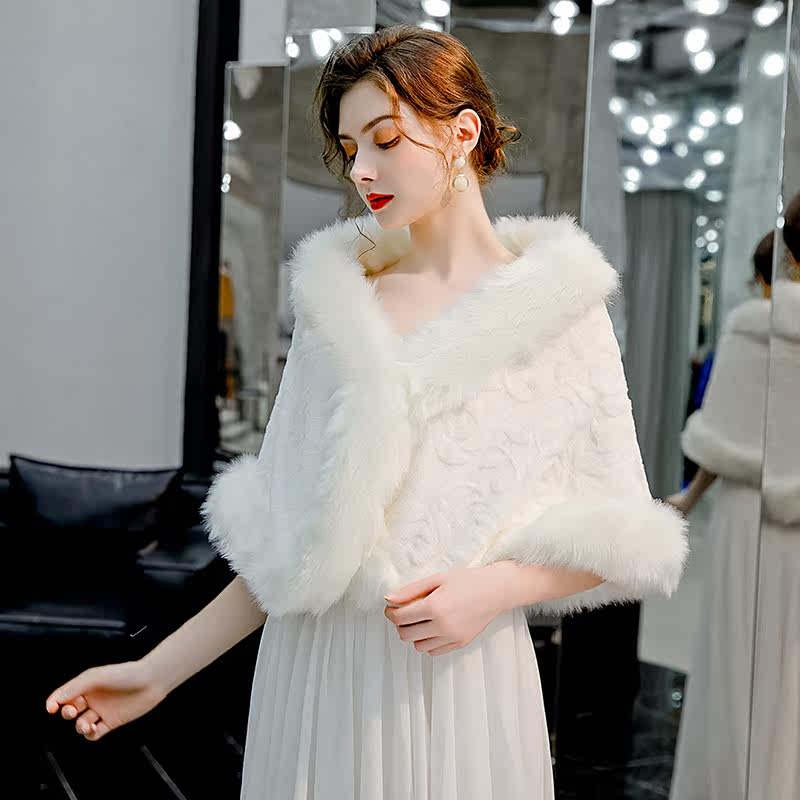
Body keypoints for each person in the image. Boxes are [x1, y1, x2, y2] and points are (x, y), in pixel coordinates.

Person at [45, 26, 688, 799]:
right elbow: (287, 542)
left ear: (462, 132)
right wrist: (156, 672)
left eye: (385, 141)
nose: (361, 170)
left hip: (461, 676)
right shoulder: (338, 306)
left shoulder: (561, 311)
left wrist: (494, 589)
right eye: (350, 149)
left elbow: (620, 532)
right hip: (315, 673)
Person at [667, 193, 800, 800]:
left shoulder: (755, 324)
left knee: (739, 667)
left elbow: (721, 436)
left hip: (753, 517)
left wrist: (689, 498)